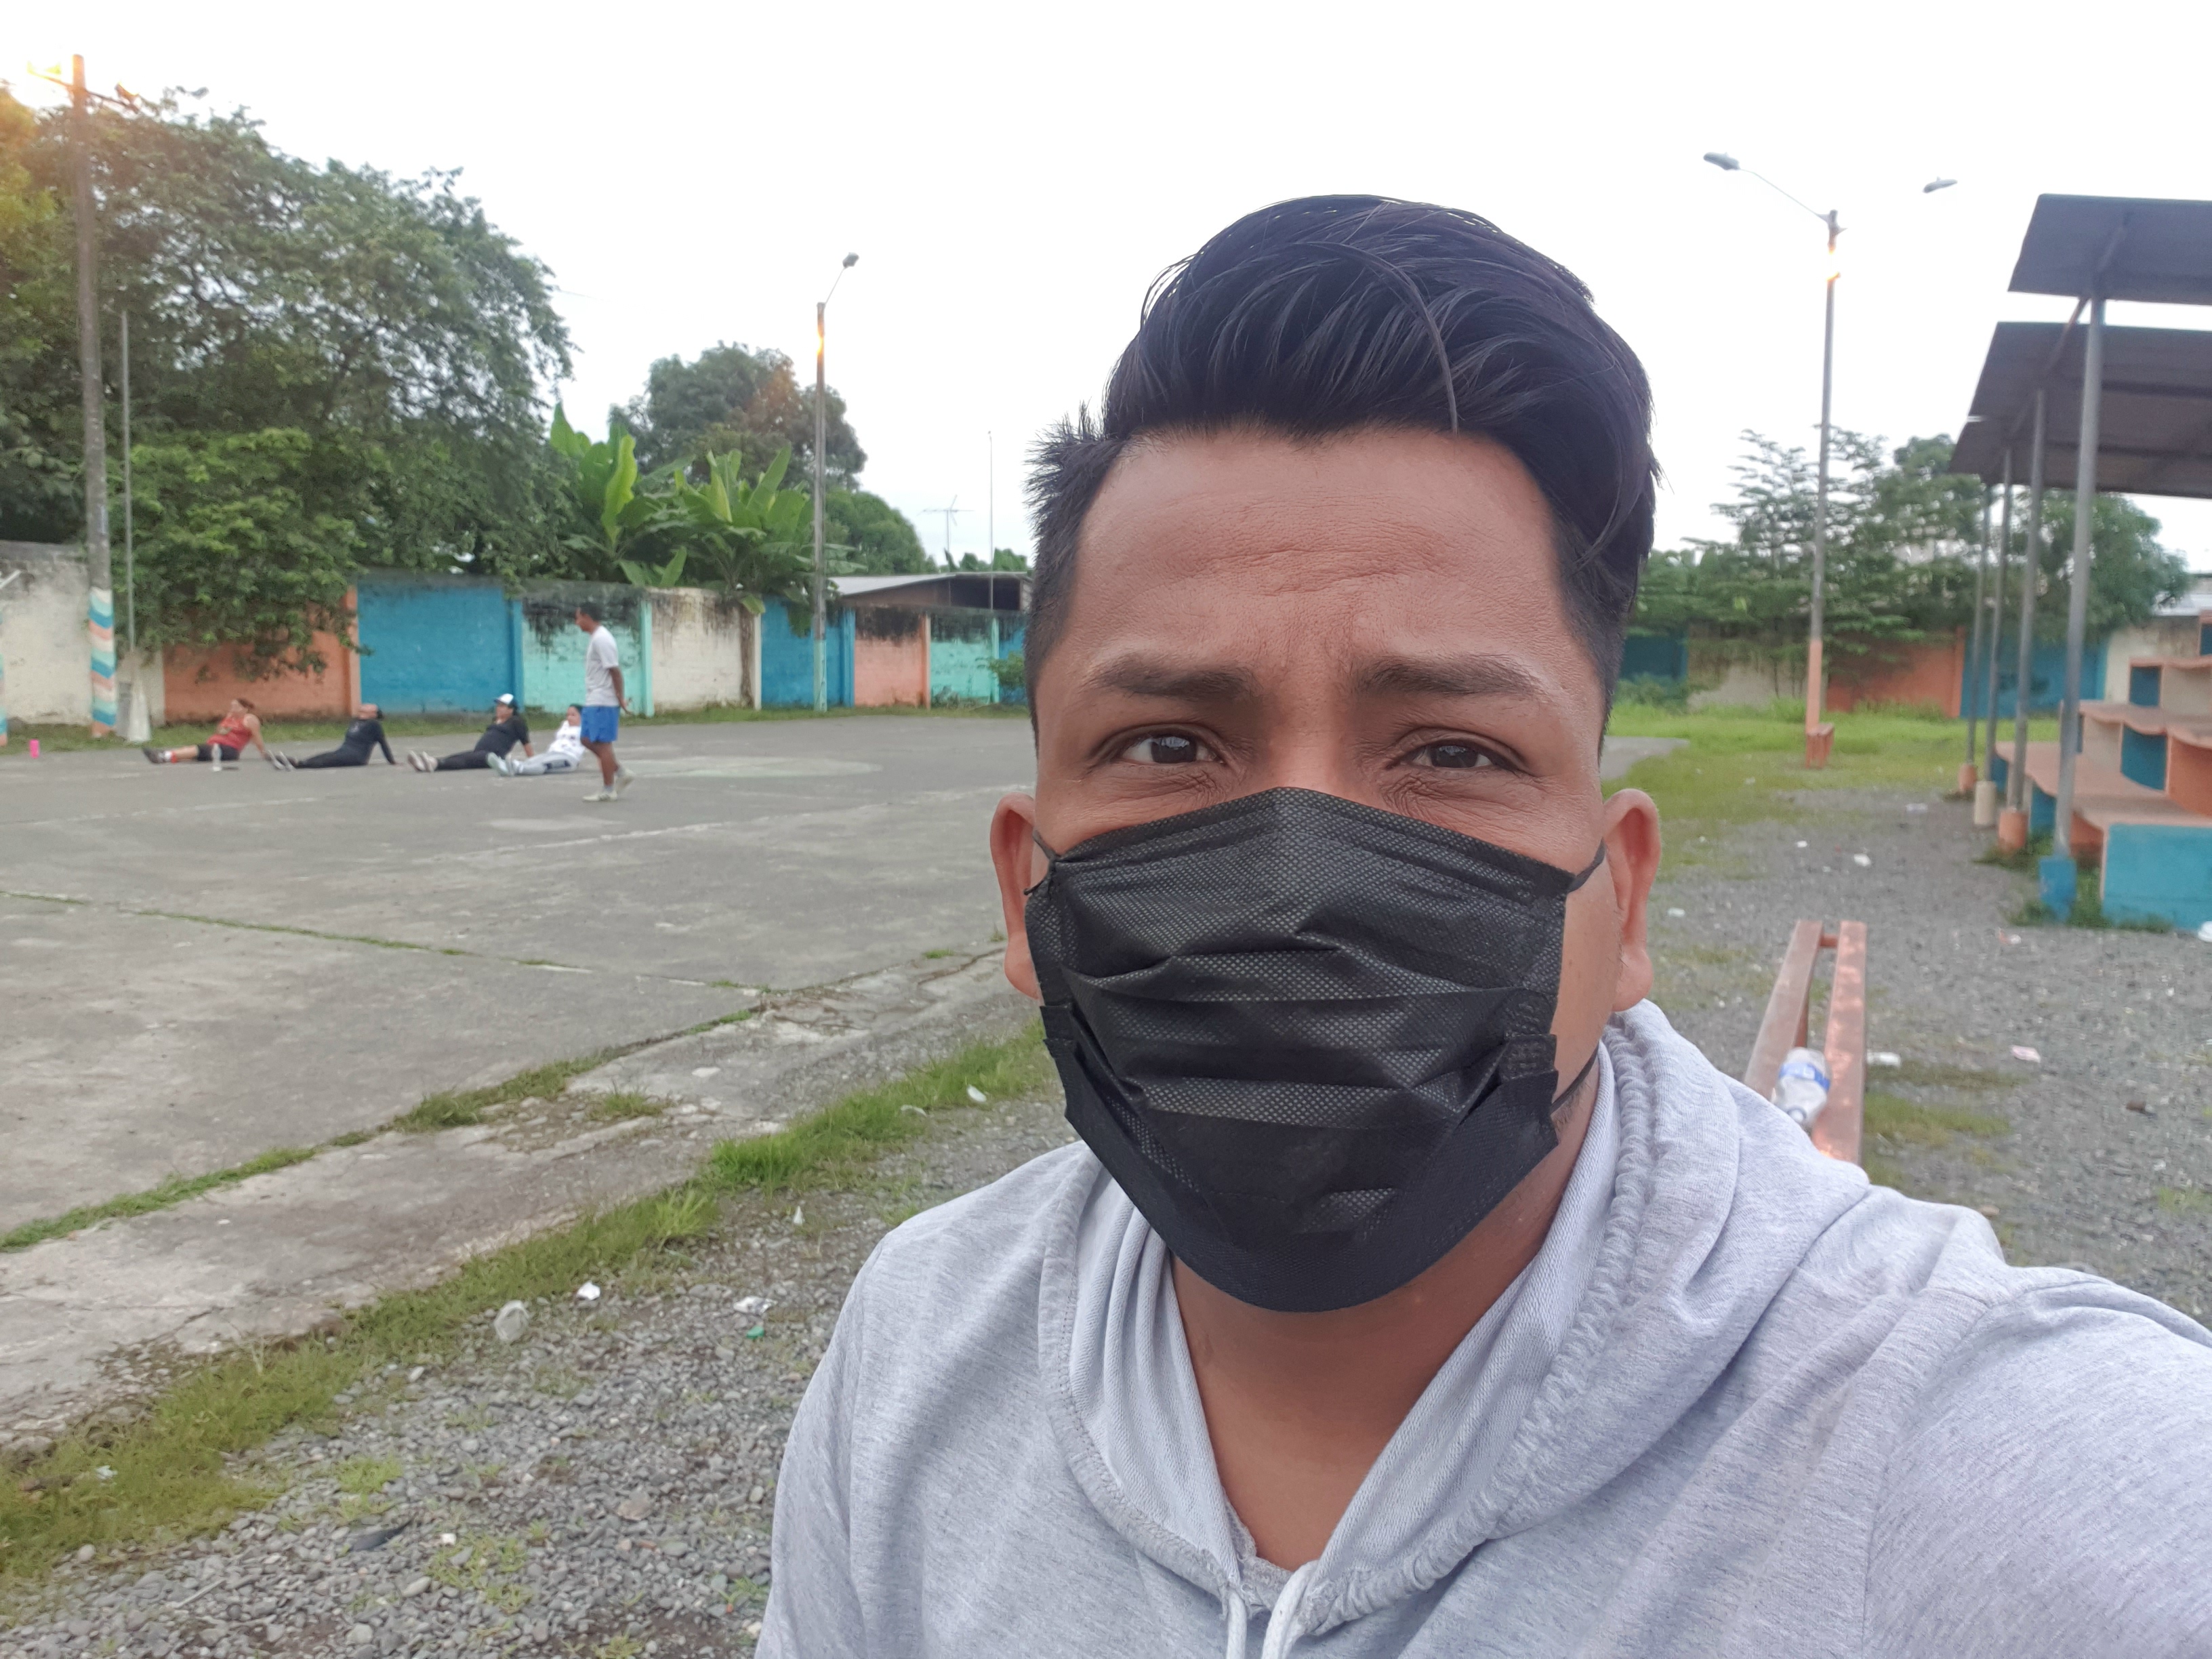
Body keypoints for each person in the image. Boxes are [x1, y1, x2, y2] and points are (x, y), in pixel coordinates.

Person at [762, 198, 2212, 1658]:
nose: (1297, 886)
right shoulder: (911, 1358)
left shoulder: (1985, 1467)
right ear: (1025, 890)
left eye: (1452, 751)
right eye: (1170, 746)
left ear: (1621, 898)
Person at [574, 600, 634, 801]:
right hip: (594, 698)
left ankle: (609, 790)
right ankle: (621, 772)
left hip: (603, 699)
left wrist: (620, 698)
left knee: (602, 744)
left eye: (578, 618)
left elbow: (615, 671)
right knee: (586, 739)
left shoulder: (602, 639)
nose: (576, 622)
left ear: (587, 617)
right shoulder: (596, 638)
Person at [406, 693, 533, 773]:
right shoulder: (497, 720)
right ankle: (427, 763)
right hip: (480, 752)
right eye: (498, 705)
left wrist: (533, 763)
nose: (498, 708)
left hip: (492, 757)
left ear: (511, 710)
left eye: (502, 706)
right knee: (460, 756)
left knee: (464, 762)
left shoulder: (517, 722)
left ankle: (435, 764)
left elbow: (526, 743)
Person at [144, 698, 271, 765]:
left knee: (198, 750)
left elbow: (256, 737)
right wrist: (227, 723)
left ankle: (164, 755)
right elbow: (220, 731)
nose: (233, 709)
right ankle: (166, 757)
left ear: (245, 708)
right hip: (216, 745)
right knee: (194, 752)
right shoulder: (230, 718)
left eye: (236, 707)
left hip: (229, 749)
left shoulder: (249, 719)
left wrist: (263, 753)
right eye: (232, 706)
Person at [272, 703, 396, 770]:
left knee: (327, 761)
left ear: (373, 714)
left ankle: (297, 765)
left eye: (370, 706)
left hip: (356, 757)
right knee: (325, 756)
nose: (365, 704)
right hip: (344, 751)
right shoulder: (356, 721)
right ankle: (298, 762)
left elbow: (383, 743)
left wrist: (392, 761)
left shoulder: (374, 725)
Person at [491, 705, 584, 776]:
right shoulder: (565, 726)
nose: (569, 718)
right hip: (552, 753)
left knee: (544, 765)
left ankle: (516, 769)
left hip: (569, 758)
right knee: (532, 761)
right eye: (568, 715)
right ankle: (505, 766)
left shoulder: (584, 729)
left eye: (573, 715)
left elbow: (592, 743)